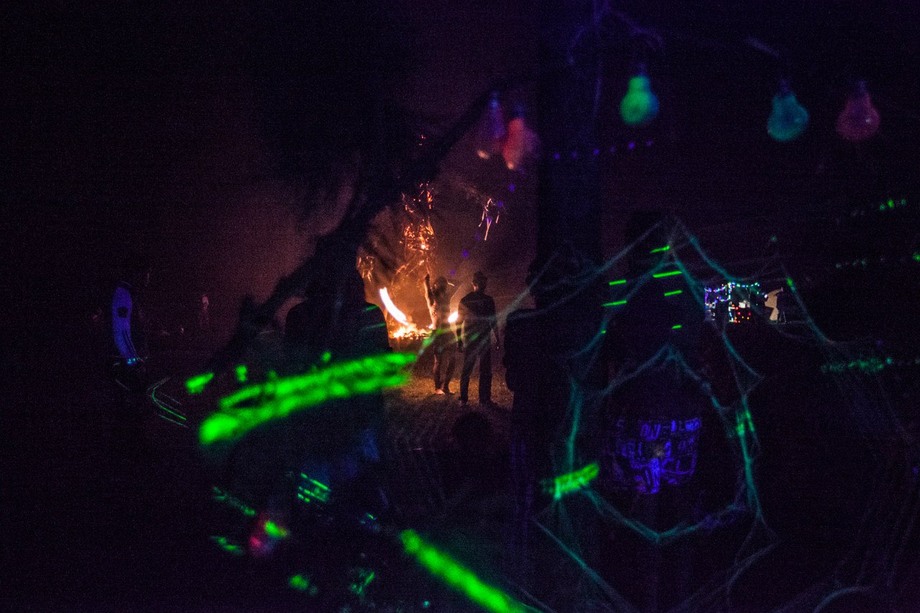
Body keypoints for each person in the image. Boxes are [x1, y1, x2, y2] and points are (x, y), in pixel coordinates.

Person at [456, 270, 500, 406]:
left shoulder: (487, 300)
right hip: (472, 339)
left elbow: (492, 321)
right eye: (481, 281)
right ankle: (465, 398)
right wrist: (459, 340)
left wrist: (497, 338)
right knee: (468, 369)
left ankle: (483, 399)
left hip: (481, 339)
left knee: (484, 370)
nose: (484, 283)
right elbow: (458, 322)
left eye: (484, 281)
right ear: (474, 283)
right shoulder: (467, 300)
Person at [424, 273, 457, 395]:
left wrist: (447, 280)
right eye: (440, 283)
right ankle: (437, 387)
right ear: (435, 285)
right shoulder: (431, 299)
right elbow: (426, 287)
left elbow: (456, 284)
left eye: (444, 283)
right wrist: (427, 280)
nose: (443, 285)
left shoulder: (447, 297)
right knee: (438, 361)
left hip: (448, 331)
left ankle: (446, 386)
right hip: (437, 333)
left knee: (453, 359)